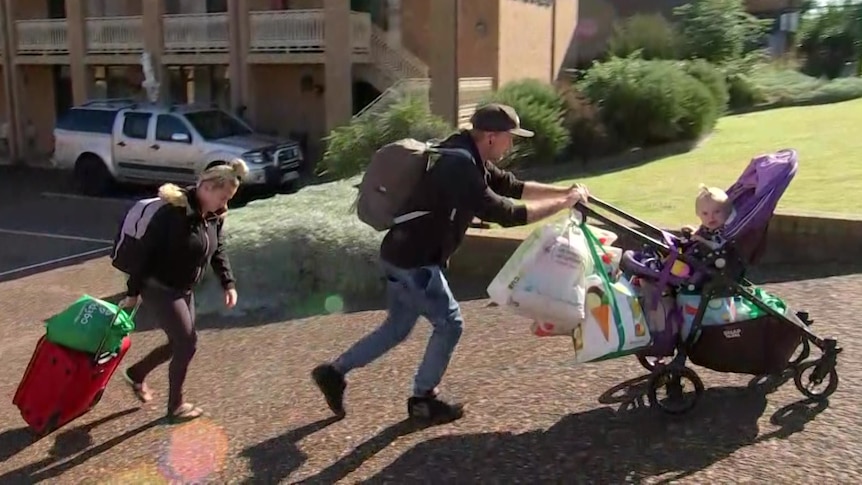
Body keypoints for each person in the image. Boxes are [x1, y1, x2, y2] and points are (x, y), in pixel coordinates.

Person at [312, 103, 590, 424]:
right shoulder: (459, 169)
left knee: (396, 328)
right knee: (450, 324)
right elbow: (507, 213)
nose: (510, 145)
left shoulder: (463, 152)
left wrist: (567, 192)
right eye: (508, 138)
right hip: (416, 263)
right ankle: (422, 399)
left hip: (400, 255)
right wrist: (564, 205)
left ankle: (334, 372)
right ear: (490, 137)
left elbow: (513, 187)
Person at [118, 160, 247, 424]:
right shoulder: (171, 213)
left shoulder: (213, 215)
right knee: (187, 344)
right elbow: (145, 255)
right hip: (159, 287)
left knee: (178, 343)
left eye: (228, 199)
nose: (224, 205)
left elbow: (217, 249)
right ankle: (175, 406)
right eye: (222, 197)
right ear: (206, 187)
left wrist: (228, 283)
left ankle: (136, 373)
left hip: (183, 288)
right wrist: (132, 293)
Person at [682, 184, 734, 250]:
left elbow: (719, 246)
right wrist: (694, 232)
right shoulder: (706, 227)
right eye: (705, 213)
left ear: (727, 212)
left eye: (717, 212)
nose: (711, 217)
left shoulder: (725, 230)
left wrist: (702, 241)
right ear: (698, 214)